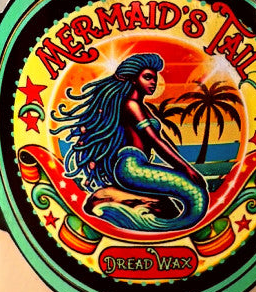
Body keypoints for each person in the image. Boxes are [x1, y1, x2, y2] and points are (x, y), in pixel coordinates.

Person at [51, 52, 209, 232]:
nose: (153, 82)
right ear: (134, 79)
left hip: (137, 166)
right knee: (195, 194)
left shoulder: (142, 107)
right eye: (147, 77)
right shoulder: (131, 105)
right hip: (132, 168)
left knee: (195, 196)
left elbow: (160, 139)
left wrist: (183, 166)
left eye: (155, 78)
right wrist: (186, 168)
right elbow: (154, 140)